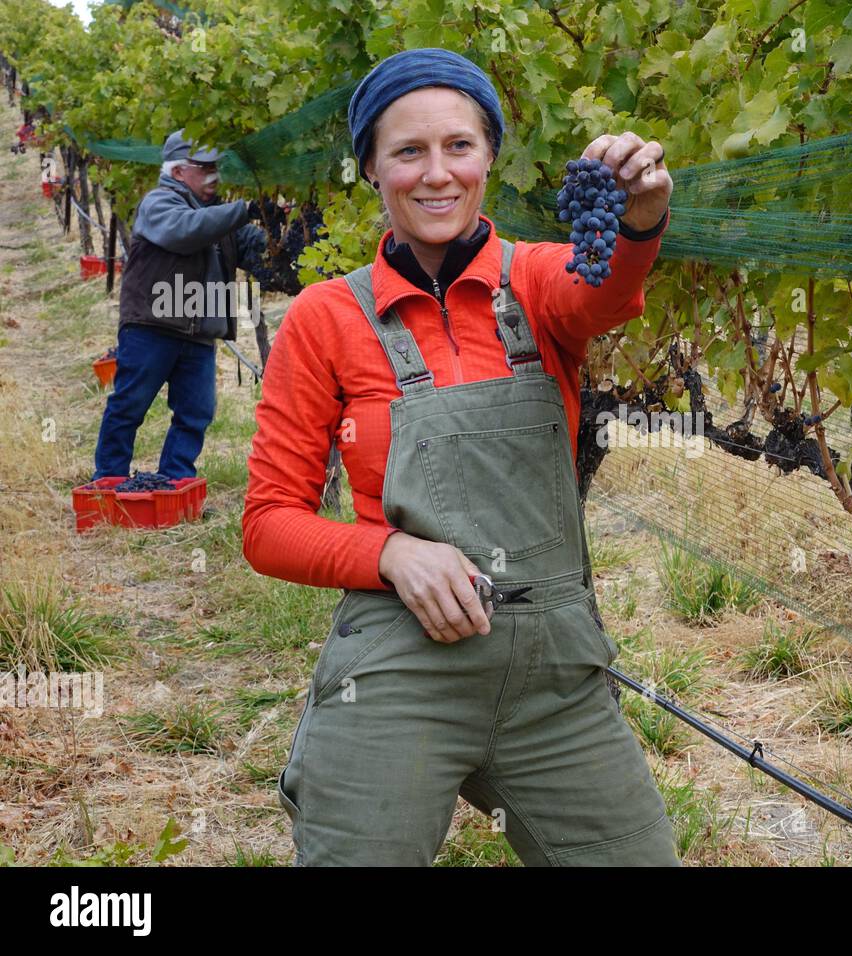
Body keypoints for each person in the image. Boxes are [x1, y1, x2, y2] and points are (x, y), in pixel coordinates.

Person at [242, 47, 678, 866]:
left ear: (489, 157)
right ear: (370, 166)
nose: (435, 174)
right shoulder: (324, 319)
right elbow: (269, 525)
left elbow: (609, 291)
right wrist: (391, 553)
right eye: (407, 151)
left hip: (555, 672)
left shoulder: (542, 282)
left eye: (459, 147)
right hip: (399, 663)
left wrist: (642, 214)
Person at [92, 130, 267, 481]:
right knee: (129, 405)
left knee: (196, 412)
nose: (214, 176)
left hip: (199, 332)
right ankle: (108, 480)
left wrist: (280, 229)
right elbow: (185, 231)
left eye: (215, 168)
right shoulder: (159, 203)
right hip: (153, 325)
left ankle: (175, 481)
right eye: (204, 169)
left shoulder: (216, 215)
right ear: (177, 172)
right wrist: (242, 210)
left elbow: (257, 252)